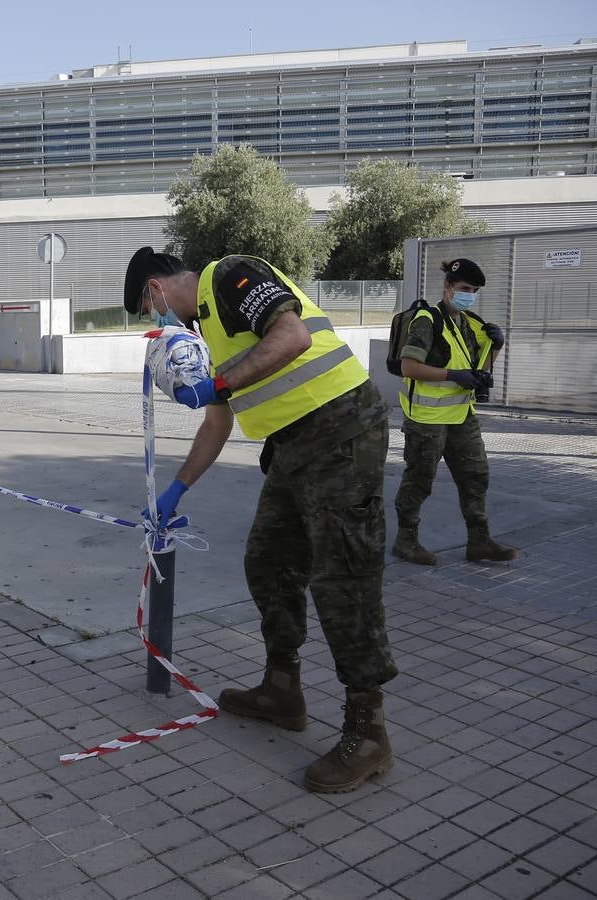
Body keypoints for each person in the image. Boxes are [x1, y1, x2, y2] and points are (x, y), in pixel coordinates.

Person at [124, 247, 396, 793]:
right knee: (268, 563)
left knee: (342, 580)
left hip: (342, 433)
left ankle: (368, 733)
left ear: (155, 289)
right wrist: (176, 489)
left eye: (148, 309)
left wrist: (218, 385)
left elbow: (291, 337)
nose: (159, 321)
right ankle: (282, 688)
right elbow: (217, 424)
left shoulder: (228, 276)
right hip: (294, 449)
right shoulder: (211, 333)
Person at [393, 258, 516, 565]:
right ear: (447, 286)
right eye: (464, 288)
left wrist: (496, 347)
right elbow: (409, 366)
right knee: (419, 481)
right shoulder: (427, 319)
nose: (469, 294)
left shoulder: (471, 323)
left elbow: (479, 371)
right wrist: (452, 375)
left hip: (462, 416)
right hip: (427, 420)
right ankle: (405, 541)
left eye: (474, 290)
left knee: (476, 476)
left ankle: (479, 541)